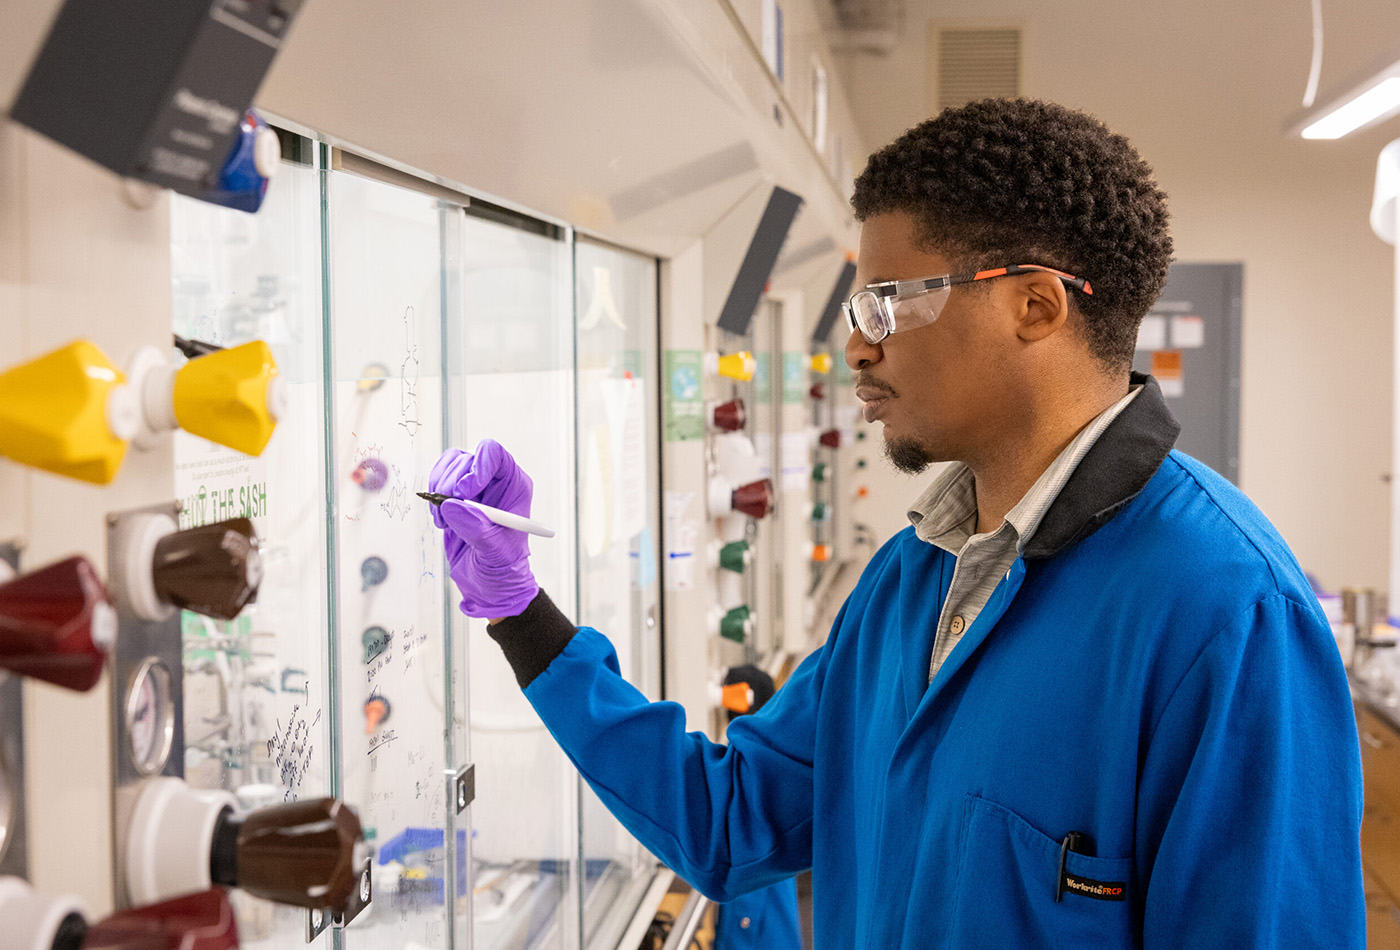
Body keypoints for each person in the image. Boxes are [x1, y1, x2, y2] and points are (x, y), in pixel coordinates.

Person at [429, 98, 1364, 948]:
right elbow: (730, 822)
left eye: (886, 301)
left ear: (1032, 305)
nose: (857, 345)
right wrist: (520, 611)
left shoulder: (1227, 613)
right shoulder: (914, 577)